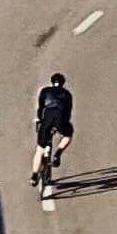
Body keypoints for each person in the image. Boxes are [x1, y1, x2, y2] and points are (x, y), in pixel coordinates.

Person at [31, 69, 74, 201]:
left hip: (47, 118)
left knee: (39, 150)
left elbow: (40, 108)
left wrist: (39, 119)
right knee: (68, 135)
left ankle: (34, 177)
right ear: (62, 83)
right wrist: (63, 124)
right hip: (60, 118)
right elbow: (68, 112)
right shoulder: (67, 94)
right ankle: (58, 154)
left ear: (51, 82)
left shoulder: (45, 91)